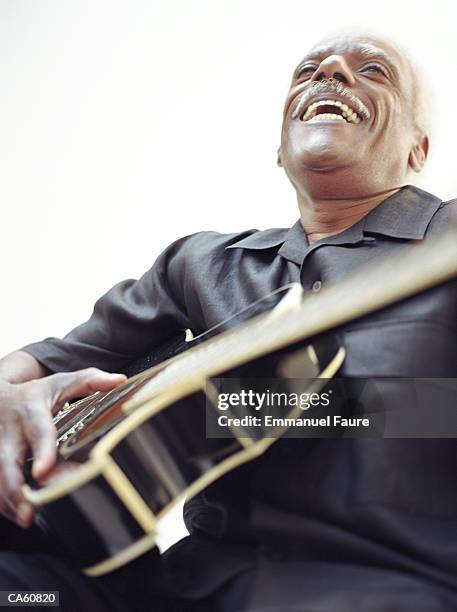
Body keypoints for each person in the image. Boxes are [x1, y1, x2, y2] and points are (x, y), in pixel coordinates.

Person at [1, 30, 457, 611]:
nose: (333, 71)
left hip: (387, 586)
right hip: (176, 588)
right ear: (279, 148)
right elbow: (39, 367)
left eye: (374, 71)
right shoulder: (199, 263)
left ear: (418, 151)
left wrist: (241, 406)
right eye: (310, 68)